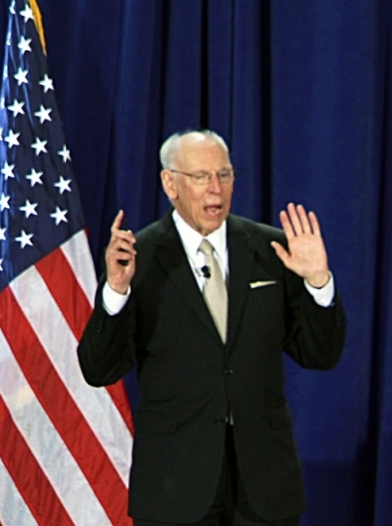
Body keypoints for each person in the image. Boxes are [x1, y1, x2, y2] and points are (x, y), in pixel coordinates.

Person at [78, 129, 345, 525]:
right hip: (174, 486)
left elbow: (320, 354)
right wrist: (116, 293)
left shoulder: (272, 252)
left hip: (264, 486)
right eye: (201, 177)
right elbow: (99, 369)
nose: (215, 189)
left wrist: (318, 283)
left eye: (224, 175)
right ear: (170, 183)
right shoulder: (139, 259)